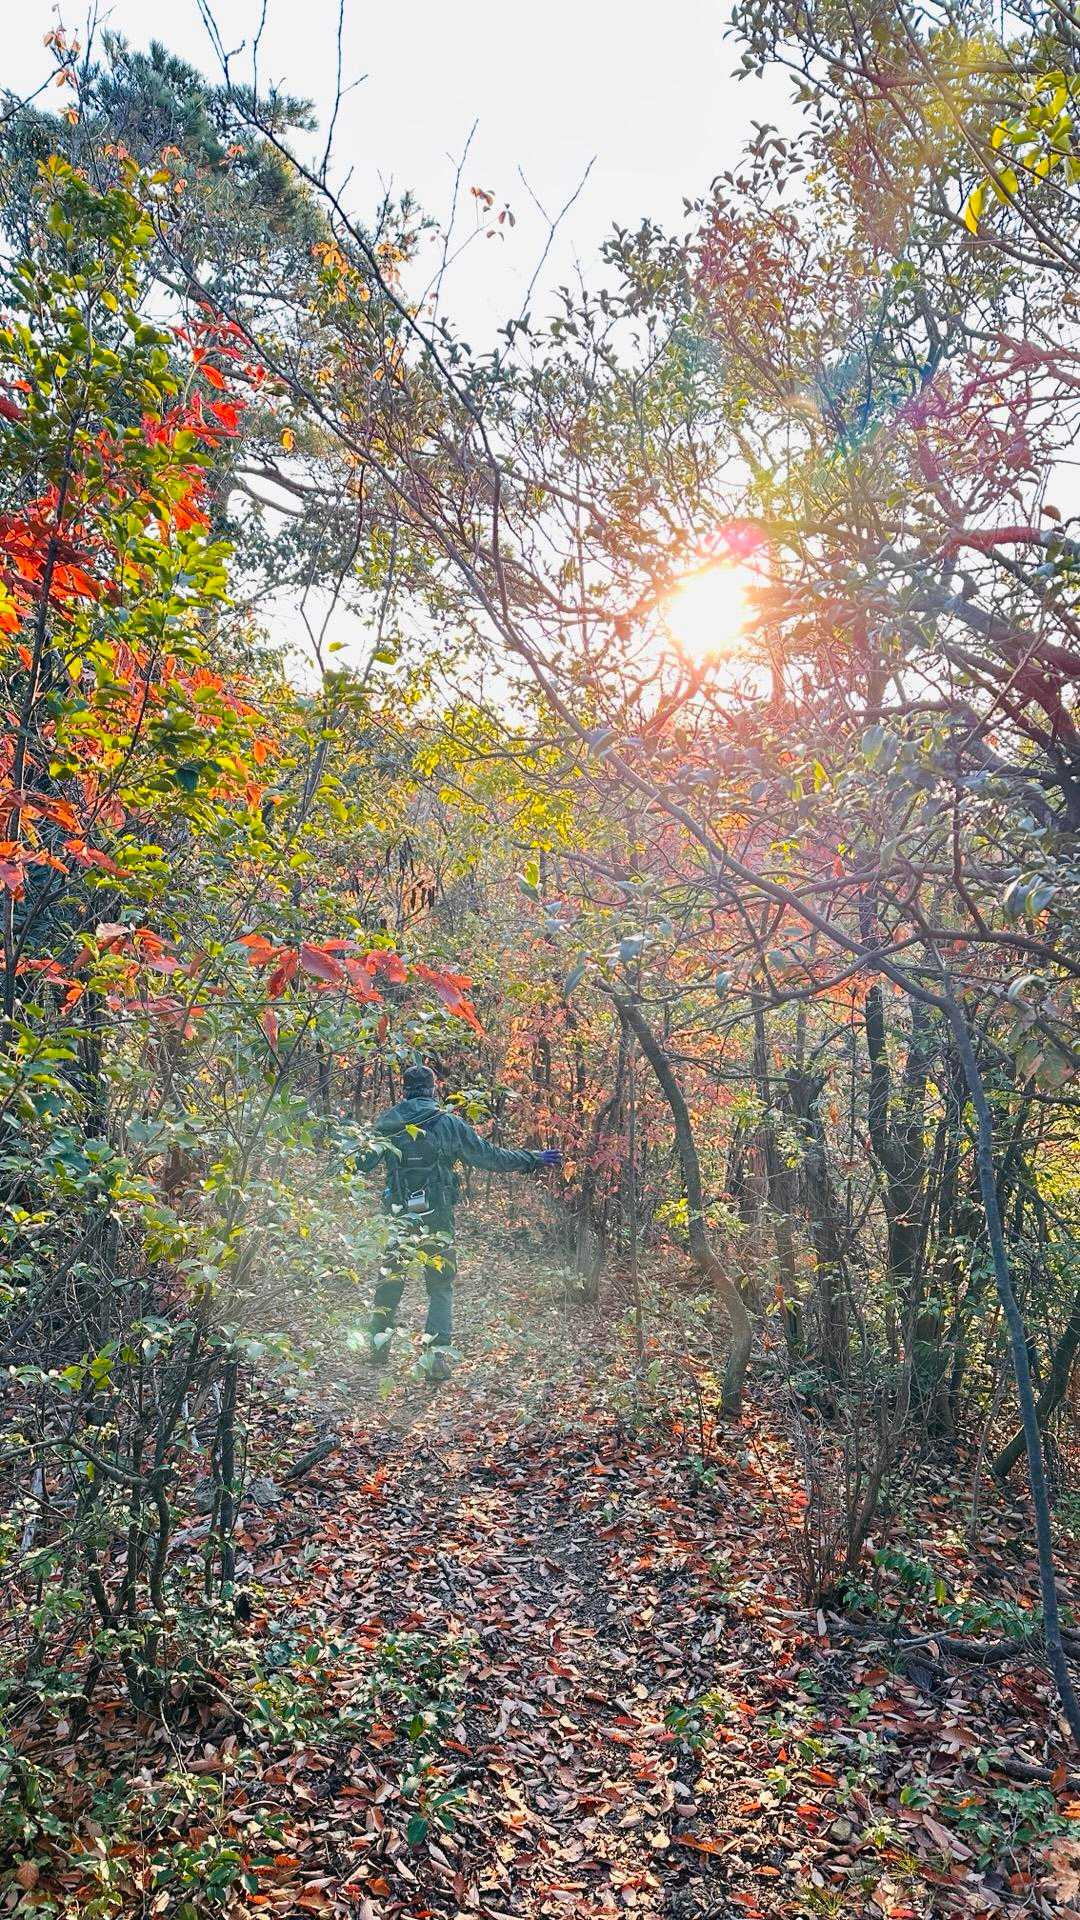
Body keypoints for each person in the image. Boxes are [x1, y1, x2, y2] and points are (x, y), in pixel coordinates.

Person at [361, 1062, 561, 1380]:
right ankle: (436, 1360)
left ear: (405, 1090)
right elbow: (490, 1156)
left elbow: (359, 1163)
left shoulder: (388, 1123)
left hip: (398, 1217)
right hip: (437, 1216)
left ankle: (377, 1349)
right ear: (433, 1089)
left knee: (390, 1281)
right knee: (440, 1286)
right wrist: (532, 1159)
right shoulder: (448, 1124)